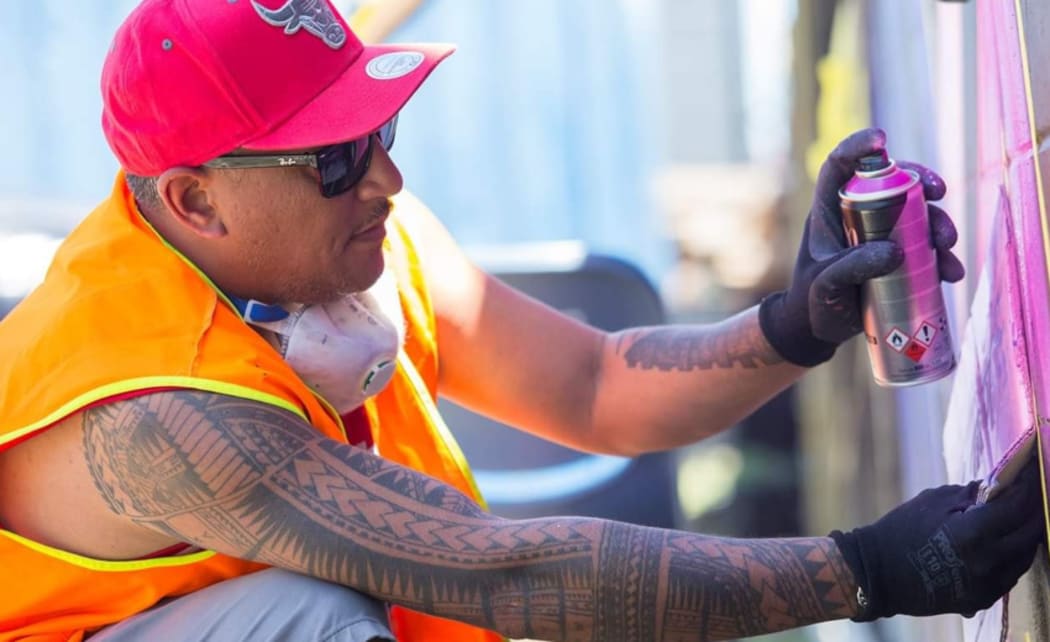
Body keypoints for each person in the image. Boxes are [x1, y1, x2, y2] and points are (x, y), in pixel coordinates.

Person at [0, 1, 1041, 641]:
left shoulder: (339, 239)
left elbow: (594, 387)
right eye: (332, 158)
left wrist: (790, 324)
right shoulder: (162, 421)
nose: (385, 178)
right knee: (321, 623)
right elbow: (514, 576)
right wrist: (867, 573)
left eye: (375, 129)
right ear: (193, 202)